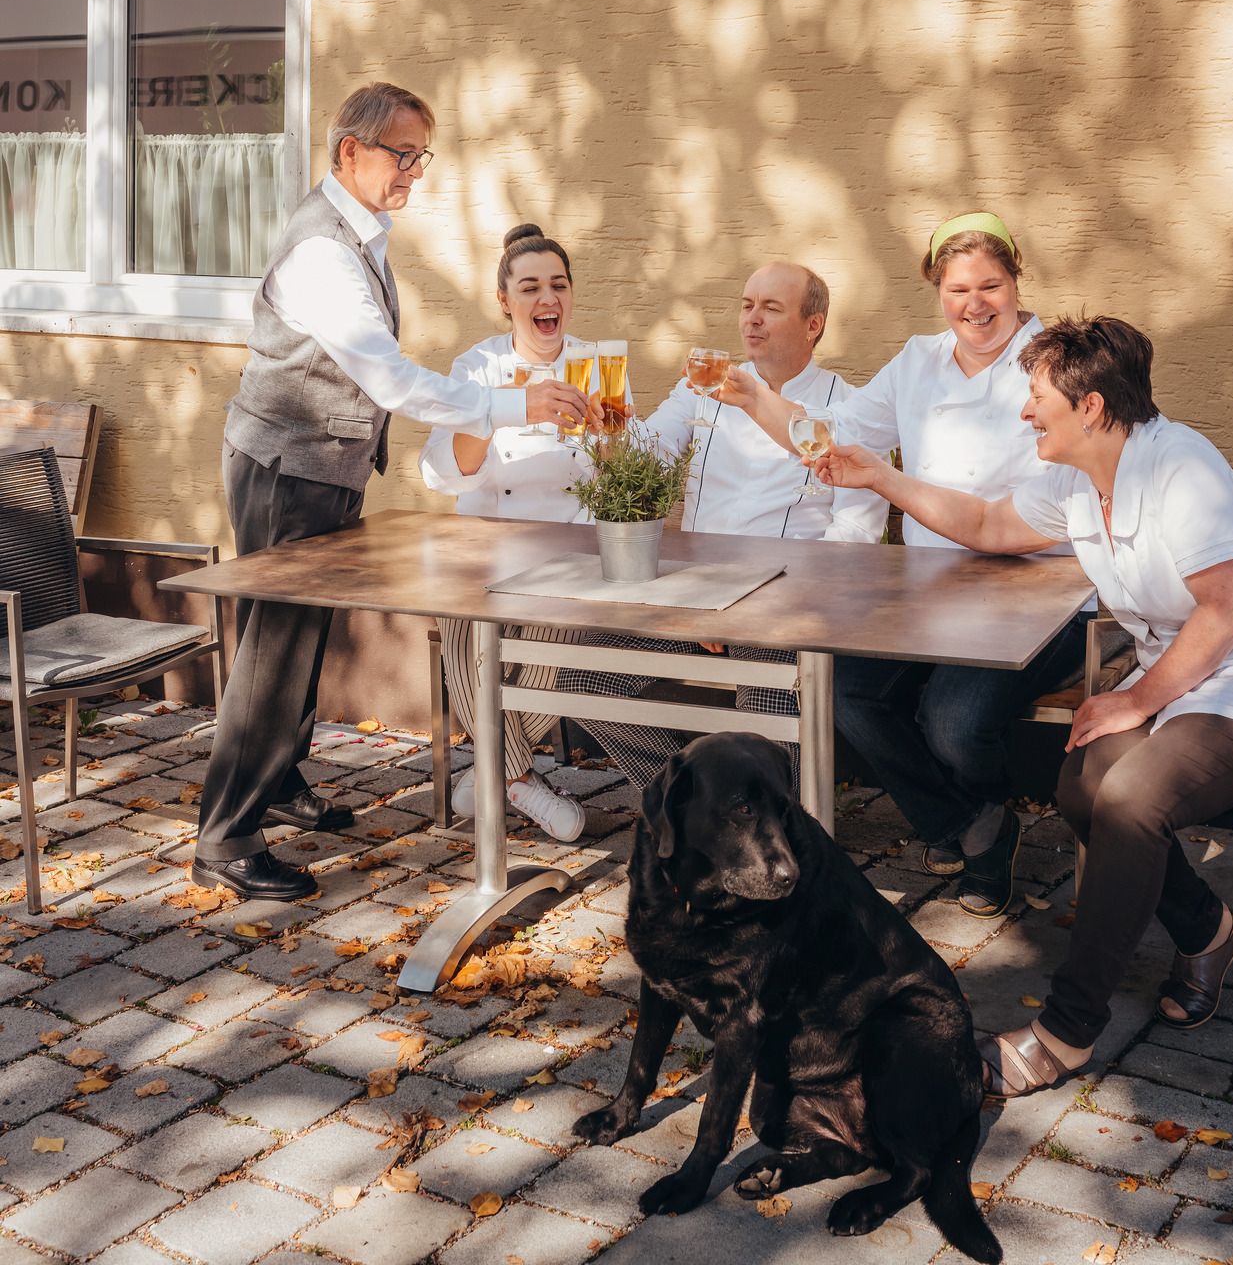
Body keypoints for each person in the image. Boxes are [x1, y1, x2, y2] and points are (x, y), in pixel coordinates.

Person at [816, 315, 1233, 1095]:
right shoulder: (1073, 476)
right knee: (1078, 783)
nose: (1024, 412)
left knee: (1128, 795)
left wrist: (1135, 698)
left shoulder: (1179, 468)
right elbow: (990, 524)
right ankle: (1204, 928)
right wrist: (880, 478)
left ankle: (1065, 1031)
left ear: (1089, 406)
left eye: (1036, 398)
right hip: (1195, 681)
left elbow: (1227, 608)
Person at [192, 87, 593, 902]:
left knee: (303, 639)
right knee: (273, 651)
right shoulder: (323, 252)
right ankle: (226, 837)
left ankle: (280, 780)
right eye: (400, 155)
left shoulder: (363, 235)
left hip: (325, 466)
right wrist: (513, 401)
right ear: (349, 152)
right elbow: (388, 377)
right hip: (285, 467)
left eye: (420, 156)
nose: (413, 171)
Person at [724, 212, 1087, 915]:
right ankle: (973, 825)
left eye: (989, 285)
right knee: (840, 687)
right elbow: (833, 439)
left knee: (953, 723)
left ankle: (970, 819)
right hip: (931, 589)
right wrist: (755, 400)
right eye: (956, 290)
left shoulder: (1053, 363)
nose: (974, 304)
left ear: (1016, 282)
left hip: (1040, 586)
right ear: (936, 292)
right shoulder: (917, 362)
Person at [557, 261, 886, 781]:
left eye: (771, 308)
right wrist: (607, 426)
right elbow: (649, 453)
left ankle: (779, 831)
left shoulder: (850, 409)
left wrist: (756, 610)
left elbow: (854, 539)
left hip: (786, 613)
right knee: (584, 680)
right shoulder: (706, 385)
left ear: (813, 325)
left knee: (767, 719)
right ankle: (687, 803)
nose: (751, 320)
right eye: (747, 305)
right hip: (691, 597)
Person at [418, 221, 608, 842]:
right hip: (485, 546)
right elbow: (445, 472)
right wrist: (498, 411)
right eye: (529, 287)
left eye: (558, 285)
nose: (546, 299)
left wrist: (612, 436)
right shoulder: (476, 369)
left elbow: (621, 476)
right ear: (505, 300)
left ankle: (497, 774)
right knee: (465, 622)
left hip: (568, 546)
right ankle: (520, 780)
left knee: (560, 643)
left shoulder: (597, 366)